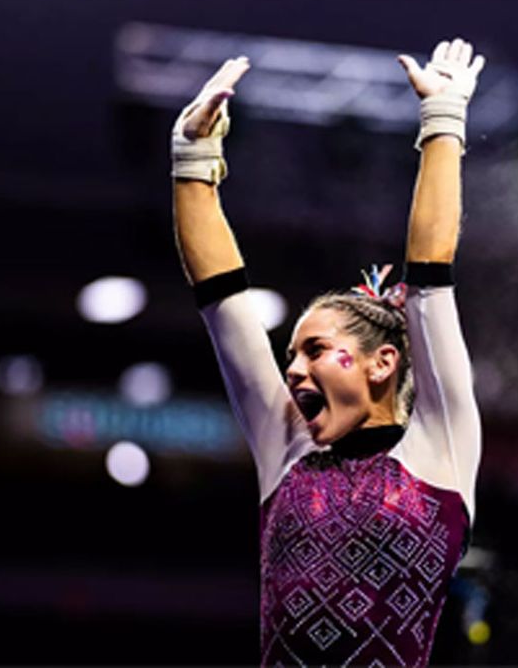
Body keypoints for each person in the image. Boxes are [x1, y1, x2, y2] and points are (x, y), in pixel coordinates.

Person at [171, 37, 485, 667]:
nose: (292, 370)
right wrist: (191, 159)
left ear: (382, 363)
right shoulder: (286, 448)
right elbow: (220, 297)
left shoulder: (440, 448)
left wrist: (443, 122)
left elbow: (430, 274)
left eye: (315, 350)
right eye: (292, 354)